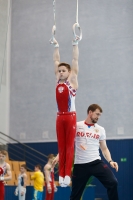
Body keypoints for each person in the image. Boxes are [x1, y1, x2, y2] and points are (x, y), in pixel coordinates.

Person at [53, 104, 119, 200]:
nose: (98, 117)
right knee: (75, 195)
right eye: (97, 114)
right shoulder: (76, 126)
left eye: (100, 115)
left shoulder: (100, 130)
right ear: (90, 112)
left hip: (96, 163)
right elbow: (68, 143)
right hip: (80, 165)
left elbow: (104, 148)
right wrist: (60, 155)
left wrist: (110, 160)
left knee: (113, 182)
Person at [51, 24, 81, 187]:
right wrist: (56, 44)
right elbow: (56, 59)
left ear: (69, 73)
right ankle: (61, 175)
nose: (61, 72)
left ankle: (67, 175)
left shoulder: (72, 81)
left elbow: (75, 60)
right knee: (61, 146)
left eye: (64, 71)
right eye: (60, 71)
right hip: (59, 118)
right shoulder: (57, 81)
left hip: (70, 118)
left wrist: (75, 43)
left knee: (69, 146)